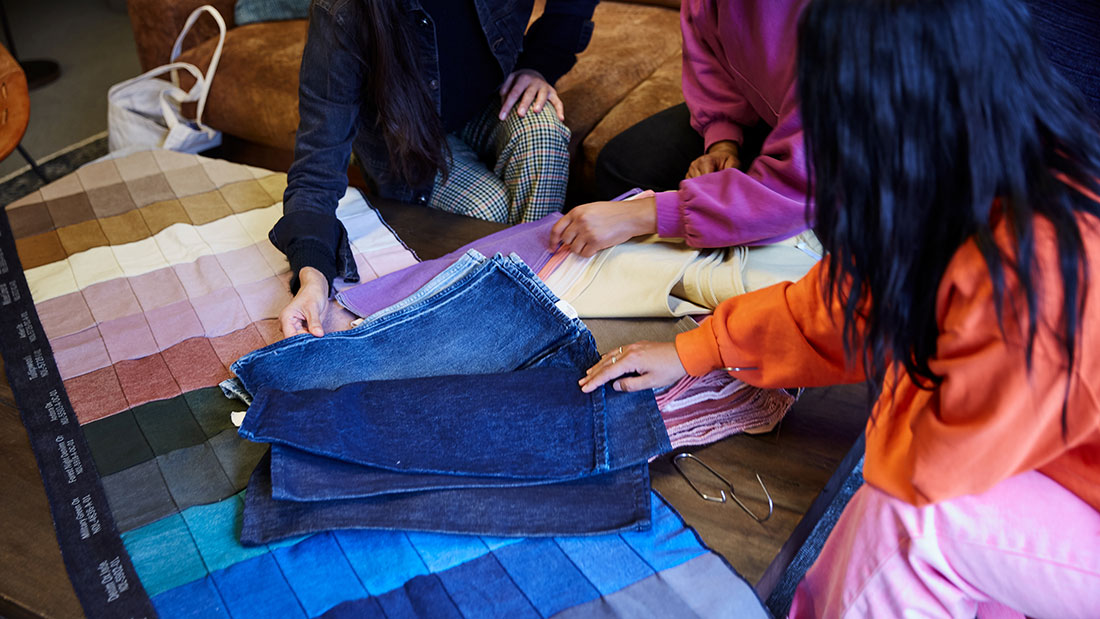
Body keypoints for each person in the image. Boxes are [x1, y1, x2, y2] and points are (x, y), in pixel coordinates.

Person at [580, 0, 1100, 615]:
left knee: (913, 524)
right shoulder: (993, 171)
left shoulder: (1037, 271)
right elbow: (852, 301)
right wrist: (697, 350)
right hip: (1059, 470)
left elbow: (917, 466)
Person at [274, 0, 598, 338]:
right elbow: (316, 166)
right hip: (407, 143)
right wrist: (313, 279)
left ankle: (538, 298)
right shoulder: (341, 9)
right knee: (488, 210)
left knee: (544, 137)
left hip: (491, 98)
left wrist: (540, 64)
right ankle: (506, 309)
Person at [548, 0, 810, 257]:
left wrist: (641, 215)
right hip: (770, 110)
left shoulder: (839, 27)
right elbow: (709, 54)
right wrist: (722, 140)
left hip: (824, 150)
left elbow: (799, 189)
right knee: (624, 163)